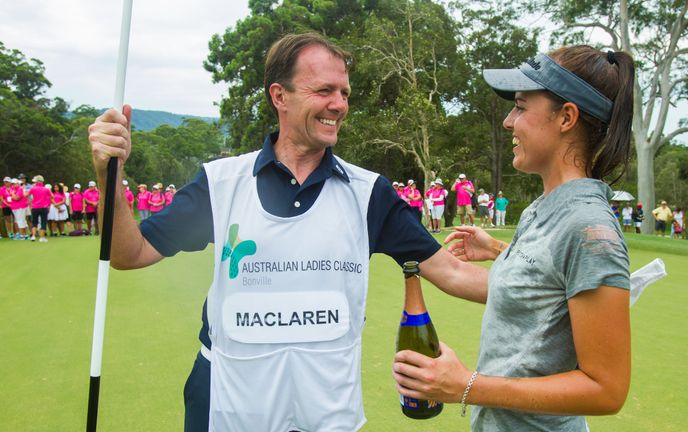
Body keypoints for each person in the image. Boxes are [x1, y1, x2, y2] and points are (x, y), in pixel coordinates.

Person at [87, 32, 483, 432]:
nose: (339, 105)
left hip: (325, 410)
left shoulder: (369, 194)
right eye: (324, 90)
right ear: (280, 96)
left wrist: (547, 283)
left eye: (344, 92)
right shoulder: (221, 183)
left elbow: (453, 273)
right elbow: (128, 253)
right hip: (227, 403)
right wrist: (108, 174)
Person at [392, 46, 634, 431]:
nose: (508, 121)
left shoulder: (590, 230)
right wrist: (502, 252)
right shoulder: (545, 209)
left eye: (521, 107)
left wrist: (465, 385)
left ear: (566, 117)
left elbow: (606, 389)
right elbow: (547, 290)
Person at [27, 175, 53, 242]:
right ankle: (42, 237)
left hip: (35, 207)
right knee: (43, 222)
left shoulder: (33, 188)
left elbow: (26, 195)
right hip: (44, 207)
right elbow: (52, 196)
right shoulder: (46, 189)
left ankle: (33, 236)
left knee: (34, 222)